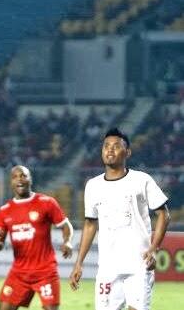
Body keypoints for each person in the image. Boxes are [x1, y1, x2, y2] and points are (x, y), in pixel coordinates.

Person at [70, 128, 171, 310]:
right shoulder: (93, 186)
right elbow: (90, 224)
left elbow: (164, 214)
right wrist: (79, 263)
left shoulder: (141, 180)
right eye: (106, 146)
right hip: (108, 267)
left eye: (116, 146)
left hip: (139, 264)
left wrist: (153, 248)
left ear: (128, 152)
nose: (110, 150)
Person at [0, 165, 73, 310]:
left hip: (45, 271)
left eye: (23, 175)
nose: (19, 179)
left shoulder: (46, 202)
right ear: (11, 182)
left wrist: (67, 242)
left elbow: (66, 225)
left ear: (30, 179)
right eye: (15, 177)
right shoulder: (4, 211)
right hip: (19, 273)